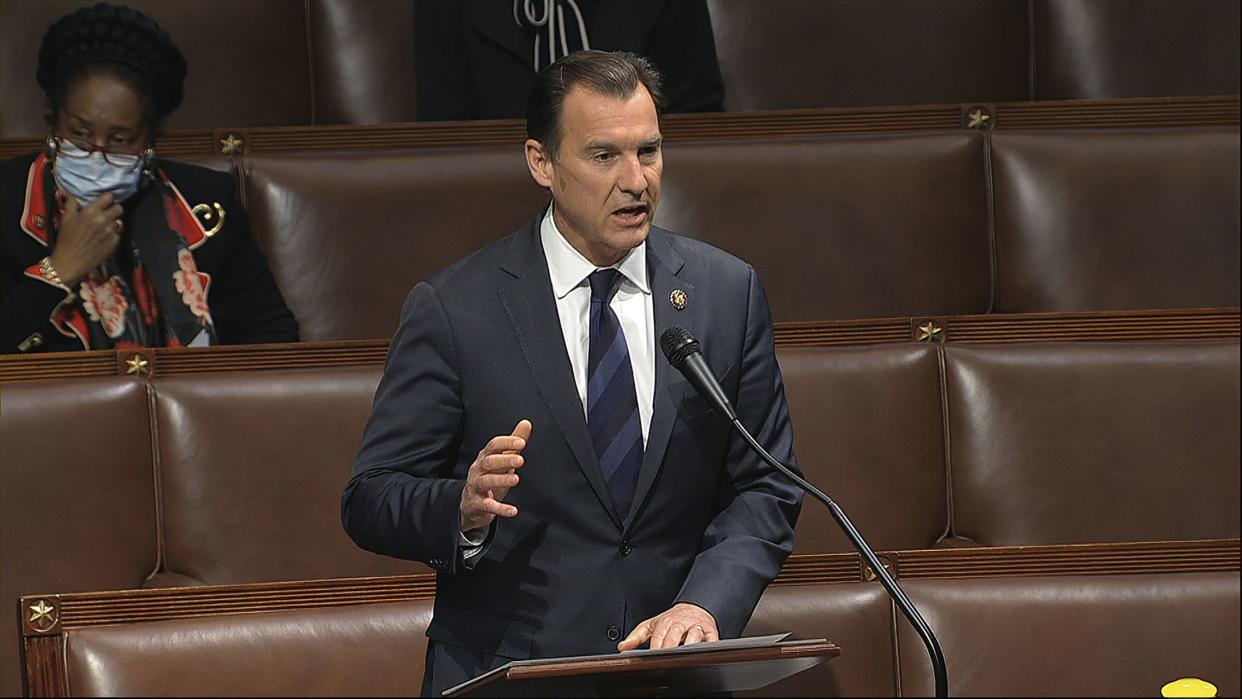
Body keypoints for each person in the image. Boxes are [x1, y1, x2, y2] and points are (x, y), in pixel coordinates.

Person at [342, 50, 800, 696]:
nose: (636, 180)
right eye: (604, 155)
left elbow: (766, 486)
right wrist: (462, 509)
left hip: (670, 676)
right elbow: (370, 497)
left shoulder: (727, 293)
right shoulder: (458, 308)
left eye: (649, 151)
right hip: (509, 674)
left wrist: (705, 605)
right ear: (541, 162)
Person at [1, 2, 298, 354]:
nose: (97, 153)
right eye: (80, 133)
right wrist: (58, 271)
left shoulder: (206, 201)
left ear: (151, 142)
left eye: (120, 140)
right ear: (52, 124)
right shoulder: (7, 198)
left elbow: (273, 333)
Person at [415, 0, 724, 121]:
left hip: (636, 198)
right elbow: (442, 137)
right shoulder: (446, 7)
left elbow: (697, 123)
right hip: (494, 202)